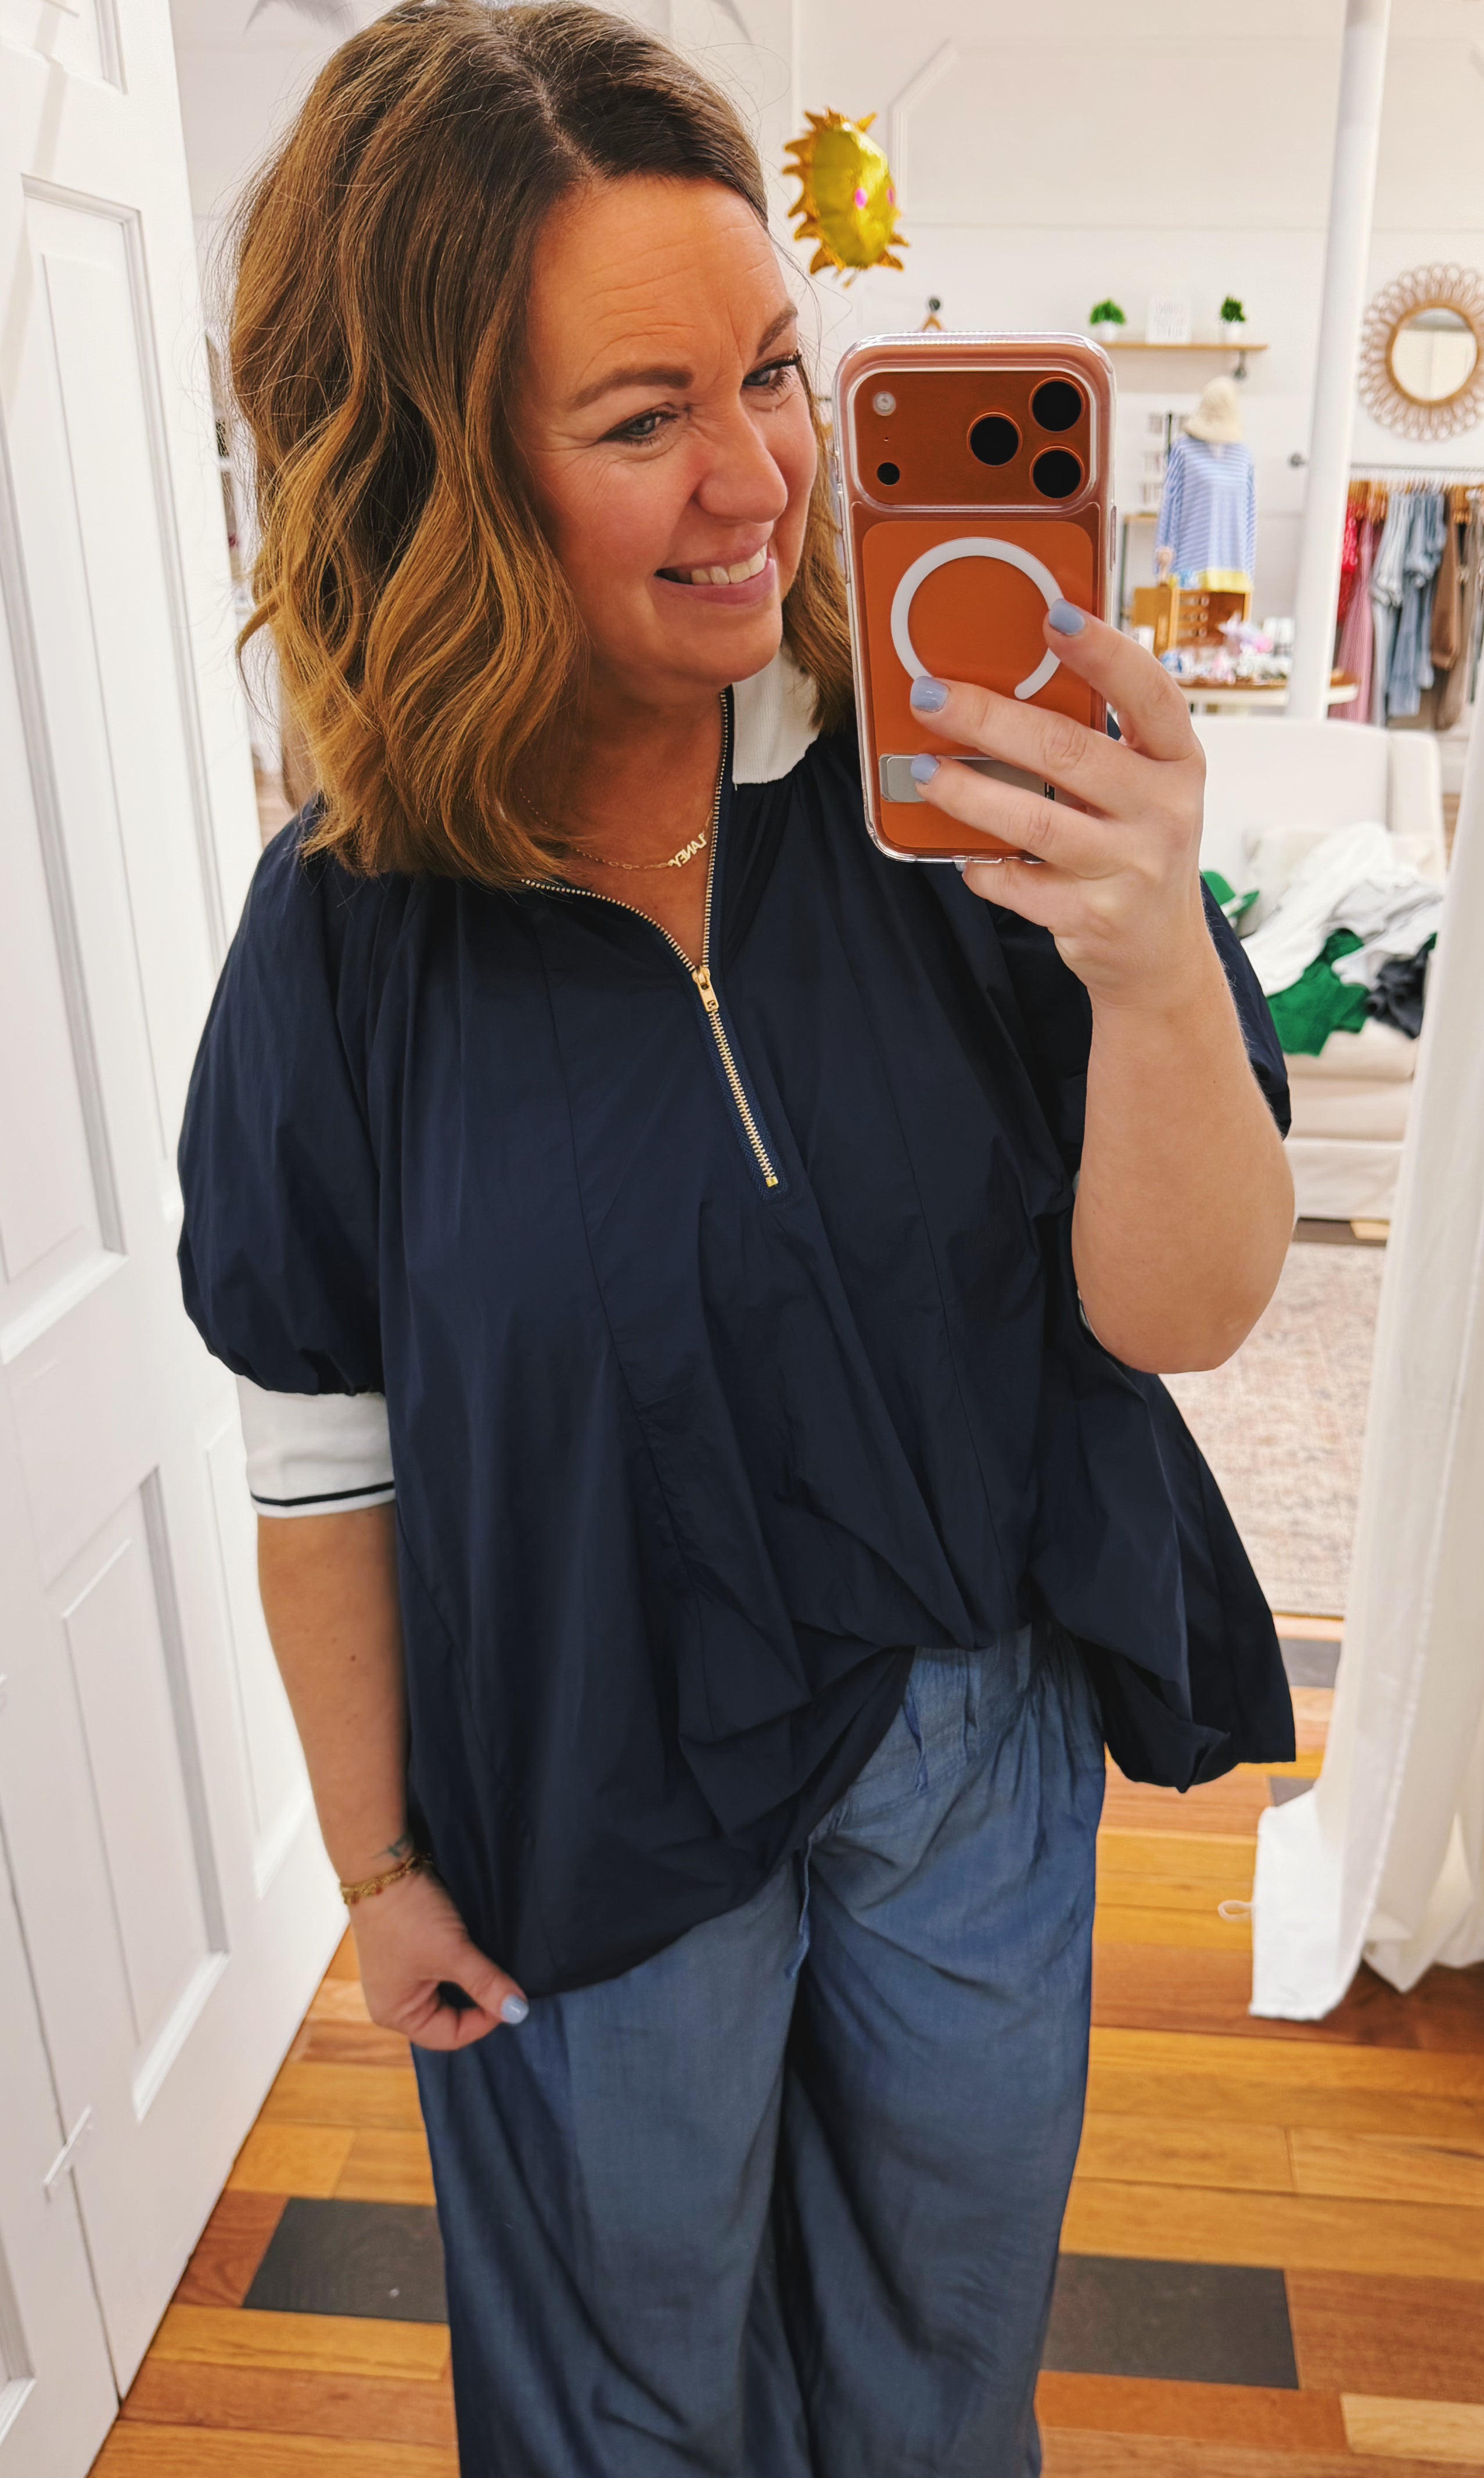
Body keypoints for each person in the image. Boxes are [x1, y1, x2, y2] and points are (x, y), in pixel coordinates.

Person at [178, 6, 1297, 2470]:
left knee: (936, 2371)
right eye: (640, 418)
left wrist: (1144, 955)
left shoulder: (973, 802)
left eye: (775, 370)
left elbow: (1186, 1307)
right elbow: (321, 1447)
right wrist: (374, 1864)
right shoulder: (349, 942)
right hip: (579, 1764)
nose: (762, 477)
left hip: (963, 1742)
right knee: (624, 2397)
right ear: (442, 468)